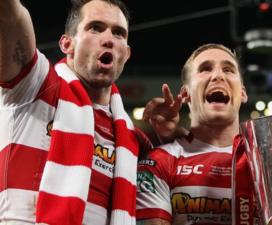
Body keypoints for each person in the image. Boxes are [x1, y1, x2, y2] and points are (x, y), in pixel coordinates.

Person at [0, 0, 180, 224]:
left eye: (119, 33)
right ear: (67, 44)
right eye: (95, 28)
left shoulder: (133, 139)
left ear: (126, 54)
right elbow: (9, 15)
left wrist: (170, 135)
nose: (108, 40)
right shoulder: (36, 85)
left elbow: (188, 179)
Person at [136, 43, 259, 225]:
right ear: (185, 94)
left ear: (242, 93)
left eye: (228, 70)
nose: (218, 76)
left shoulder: (267, 162)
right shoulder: (158, 163)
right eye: (205, 69)